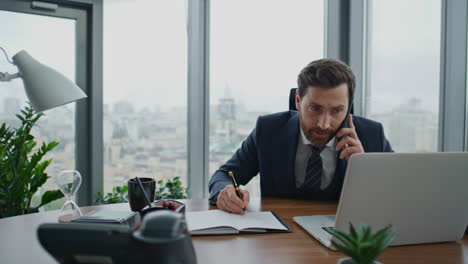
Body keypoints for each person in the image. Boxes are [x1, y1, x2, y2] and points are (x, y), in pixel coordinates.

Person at [208, 58, 393, 214]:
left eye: (337, 110)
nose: (324, 124)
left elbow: (398, 195)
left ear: (348, 107)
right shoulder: (269, 130)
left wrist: (366, 169)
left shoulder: (371, 135)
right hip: (282, 243)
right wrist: (225, 191)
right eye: (315, 108)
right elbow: (223, 175)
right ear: (298, 100)